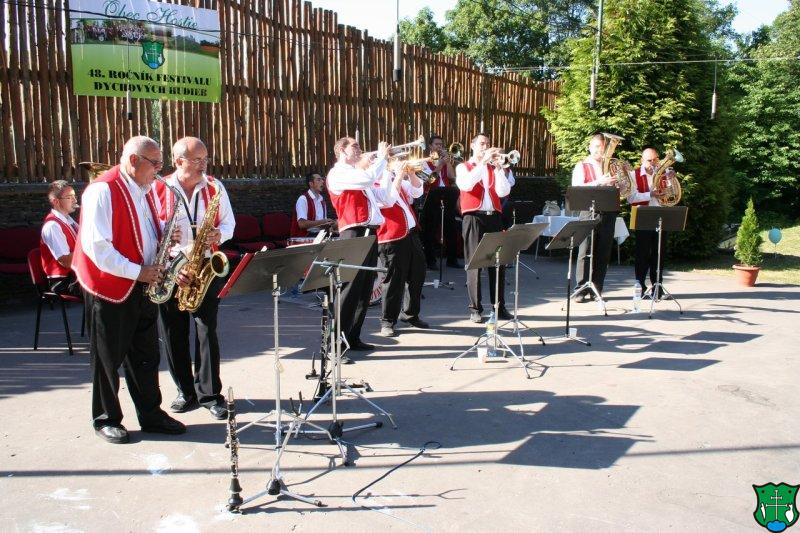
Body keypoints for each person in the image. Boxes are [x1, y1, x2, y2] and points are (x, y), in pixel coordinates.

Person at [72, 135, 185, 444]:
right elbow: (97, 248)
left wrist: (165, 237)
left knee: (145, 354)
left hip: (143, 283)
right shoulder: (101, 191)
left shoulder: (145, 190)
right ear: (134, 160)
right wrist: (140, 272)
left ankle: (151, 414)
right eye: (155, 163)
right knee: (108, 358)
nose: (160, 170)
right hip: (109, 286)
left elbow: (143, 232)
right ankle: (106, 419)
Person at [154, 137, 235, 420]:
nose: (204, 165)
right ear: (179, 162)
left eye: (205, 159)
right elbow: (149, 228)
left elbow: (229, 222)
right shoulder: (158, 187)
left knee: (206, 330)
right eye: (197, 160)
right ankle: (185, 391)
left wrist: (219, 233)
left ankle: (209, 394)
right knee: (172, 331)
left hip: (205, 265)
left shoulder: (215, 186)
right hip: (170, 267)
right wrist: (171, 255)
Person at [326, 137, 392, 351]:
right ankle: (335, 344)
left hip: (369, 232)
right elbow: (366, 178)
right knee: (349, 288)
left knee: (364, 289)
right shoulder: (338, 173)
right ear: (342, 150)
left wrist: (390, 172)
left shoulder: (359, 176)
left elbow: (384, 197)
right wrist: (381, 159)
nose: (360, 149)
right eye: (354, 146)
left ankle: (352, 337)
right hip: (353, 233)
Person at [456, 133, 514, 323]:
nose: (486, 147)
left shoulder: (492, 168)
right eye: (482, 143)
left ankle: (499, 307)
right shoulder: (463, 167)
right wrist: (482, 163)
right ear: (472, 146)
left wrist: (498, 169)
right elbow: (466, 184)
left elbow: (503, 191)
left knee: (498, 263)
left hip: (494, 217)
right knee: (475, 264)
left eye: (487, 144)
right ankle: (475, 308)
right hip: (473, 217)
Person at [375, 162, 429, 337]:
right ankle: (387, 321)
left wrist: (411, 174)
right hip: (391, 237)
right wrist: (398, 175)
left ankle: (410, 314)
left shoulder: (394, 179)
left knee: (417, 274)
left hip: (411, 233)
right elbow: (387, 200)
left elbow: (417, 192)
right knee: (394, 280)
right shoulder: (374, 184)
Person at [571, 133, 619, 302]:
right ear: (590, 148)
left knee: (603, 252)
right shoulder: (582, 165)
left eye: (603, 147)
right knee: (585, 251)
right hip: (588, 211)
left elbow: (623, 190)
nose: (600, 150)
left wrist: (618, 184)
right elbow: (577, 188)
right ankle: (580, 289)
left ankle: (597, 289)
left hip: (608, 211)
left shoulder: (612, 166)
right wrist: (599, 182)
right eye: (597, 146)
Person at [628, 148, 668, 295]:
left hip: (660, 217)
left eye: (655, 160)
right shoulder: (633, 175)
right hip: (642, 216)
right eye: (649, 160)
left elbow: (671, 195)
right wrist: (650, 194)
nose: (653, 163)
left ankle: (658, 287)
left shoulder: (663, 174)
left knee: (659, 253)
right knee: (642, 253)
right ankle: (640, 286)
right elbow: (631, 198)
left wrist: (670, 180)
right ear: (642, 161)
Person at [420, 135, 459, 269]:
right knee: (431, 229)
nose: (439, 147)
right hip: (431, 196)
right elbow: (429, 180)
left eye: (441, 144)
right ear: (430, 146)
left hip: (447, 194)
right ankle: (431, 261)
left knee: (451, 227)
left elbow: (452, 177)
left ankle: (452, 259)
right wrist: (440, 165)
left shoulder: (445, 160)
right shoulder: (424, 163)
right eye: (436, 144)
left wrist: (447, 163)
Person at [39, 180, 81, 296]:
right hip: (63, 281)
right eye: (69, 197)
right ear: (56, 201)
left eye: (74, 196)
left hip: (76, 275)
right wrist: (90, 250)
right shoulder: (53, 226)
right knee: (103, 288)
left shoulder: (71, 222)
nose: (75, 200)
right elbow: (65, 261)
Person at [290, 173, 334, 238]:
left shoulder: (322, 200)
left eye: (322, 179)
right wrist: (322, 222)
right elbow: (302, 224)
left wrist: (331, 226)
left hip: (318, 237)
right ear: (311, 184)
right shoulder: (303, 199)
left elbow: (323, 223)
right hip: (302, 238)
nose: (322, 181)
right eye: (319, 180)